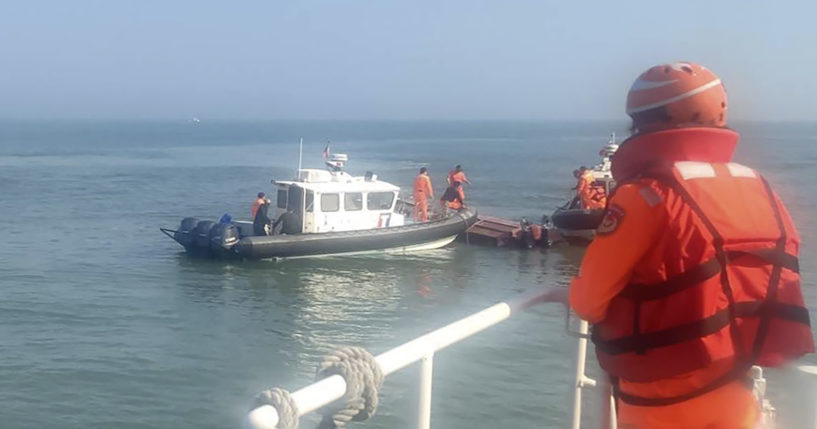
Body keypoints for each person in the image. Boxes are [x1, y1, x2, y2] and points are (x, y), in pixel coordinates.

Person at [546, 62, 813, 428]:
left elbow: (588, 302)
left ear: (650, 123)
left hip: (659, 402)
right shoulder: (758, 186)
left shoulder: (643, 197)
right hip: (735, 390)